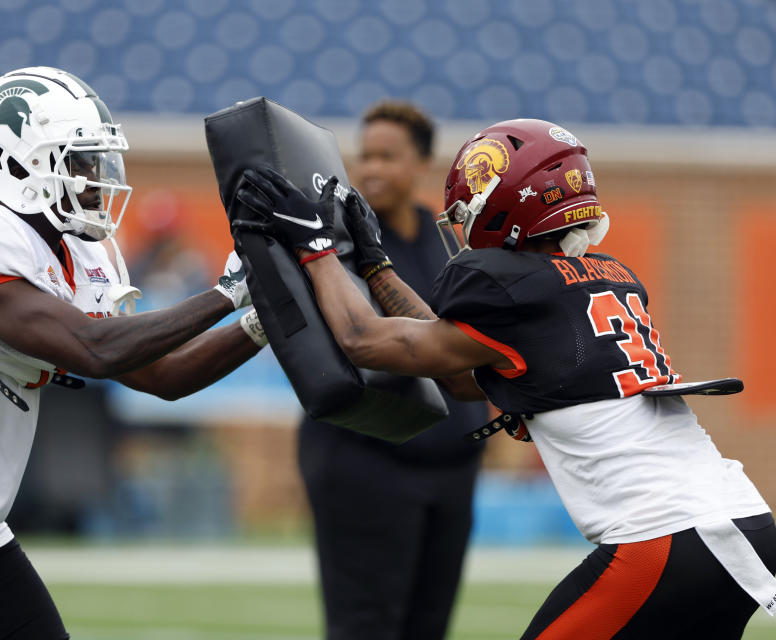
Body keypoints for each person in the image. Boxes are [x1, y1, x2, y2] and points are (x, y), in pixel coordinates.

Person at [235, 118, 776, 639]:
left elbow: (364, 340)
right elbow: (460, 374)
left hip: (662, 537)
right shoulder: (603, 280)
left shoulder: (518, 290)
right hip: (744, 520)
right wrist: (378, 264)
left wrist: (315, 246)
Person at [0, 66, 268, 640]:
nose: (95, 179)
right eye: (79, 162)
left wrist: (261, 322)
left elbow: (163, 374)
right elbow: (95, 349)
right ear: (13, 163)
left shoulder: (83, 256)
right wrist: (230, 289)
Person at [296, 101, 487, 640]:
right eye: (366, 156)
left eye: (388, 156)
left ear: (424, 163)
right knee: (368, 627)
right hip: (366, 461)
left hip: (452, 465)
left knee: (429, 626)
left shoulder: (449, 239)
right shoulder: (339, 240)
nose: (373, 169)